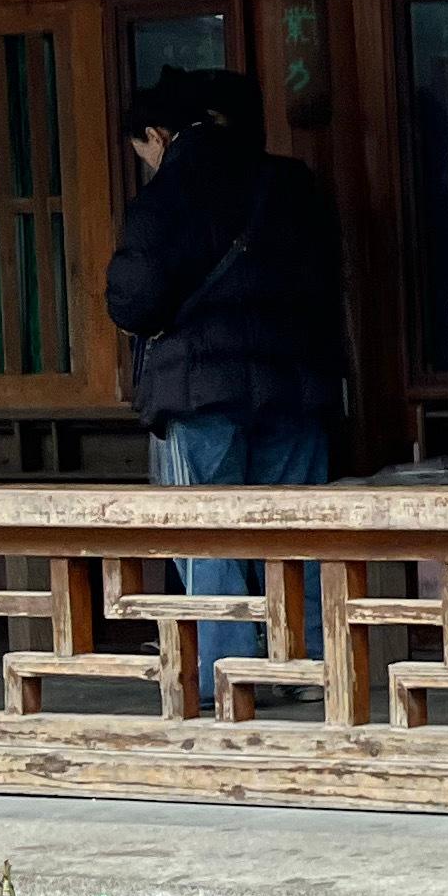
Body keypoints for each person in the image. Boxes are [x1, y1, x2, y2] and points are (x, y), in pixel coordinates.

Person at [104, 68, 348, 701]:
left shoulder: (165, 197)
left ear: (159, 135)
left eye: (142, 149)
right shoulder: (291, 183)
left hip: (200, 391)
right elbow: (328, 282)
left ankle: (228, 671)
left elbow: (134, 301)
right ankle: (309, 667)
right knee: (295, 529)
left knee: (208, 529)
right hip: (296, 385)